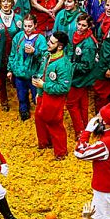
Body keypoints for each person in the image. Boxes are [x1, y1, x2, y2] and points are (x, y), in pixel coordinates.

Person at [33, 31, 72, 159]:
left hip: (54, 98)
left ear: (60, 47)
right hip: (43, 94)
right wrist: (39, 92)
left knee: (54, 123)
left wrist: (43, 85)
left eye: (51, 42)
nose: (48, 43)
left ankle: (61, 152)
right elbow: (42, 71)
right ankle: (44, 144)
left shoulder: (64, 64)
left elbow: (64, 87)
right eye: (49, 40)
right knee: (39, 118)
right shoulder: (47, 55)